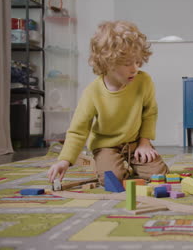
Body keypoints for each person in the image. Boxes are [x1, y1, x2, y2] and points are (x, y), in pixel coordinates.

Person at [47, 20, 169, 186]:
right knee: (114, 180)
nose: (134, 68)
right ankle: (103, 163)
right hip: (106, 146)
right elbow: (78, 130)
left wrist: (145, 143)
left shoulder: (144, 81)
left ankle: (127, 164)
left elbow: (150, 112)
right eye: (127, 64)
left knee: (160, 175)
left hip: (134, 144)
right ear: (107, 63)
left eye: (137, 62)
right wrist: (65, 160)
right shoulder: (92, 92)